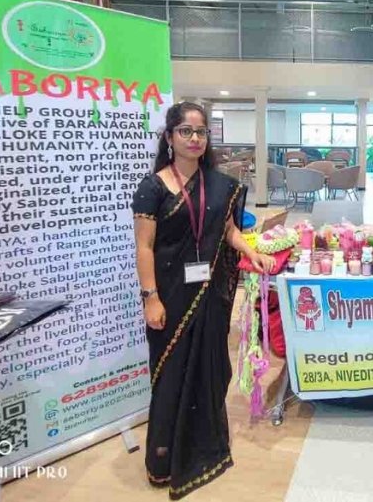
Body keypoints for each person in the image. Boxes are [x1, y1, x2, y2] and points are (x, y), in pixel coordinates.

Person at [132, 101, 274, 499]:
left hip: (209, 296)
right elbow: (144, 248)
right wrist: (150, 298)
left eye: (201, 132)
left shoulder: (219, 185)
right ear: (169, 136)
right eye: (186, 131)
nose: (194, 138)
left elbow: (228, 231)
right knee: (171, 376)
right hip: (170, 297)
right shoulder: (153, 187)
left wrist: (251, 252)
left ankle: (205, 449)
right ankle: (164, 461)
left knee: (210, 371)